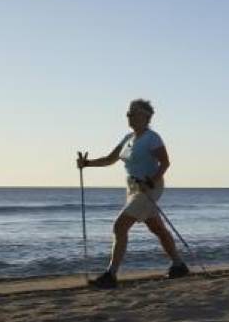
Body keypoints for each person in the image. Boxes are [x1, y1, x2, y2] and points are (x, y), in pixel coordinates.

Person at [77, 98, 188, 289]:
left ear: (146, 116)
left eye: (133, 113)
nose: (129, 116)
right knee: (157, 228)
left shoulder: (152, 137)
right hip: (132, 189)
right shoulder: (128, 138)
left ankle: (111, 275)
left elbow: (165, 163)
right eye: (128, 113)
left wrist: (151, 181)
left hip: (149, 187)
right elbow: (110, 159)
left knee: (120, 226)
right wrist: (87, 164)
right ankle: (179, 265)